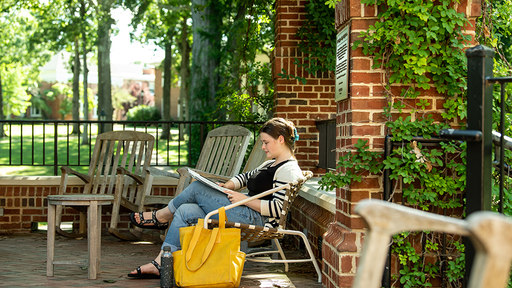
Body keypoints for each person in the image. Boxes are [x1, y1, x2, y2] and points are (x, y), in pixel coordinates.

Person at [128, 117, 303, 279]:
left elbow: (278, 209)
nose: (263, 147)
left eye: (266, 142)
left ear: (281, 139)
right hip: (243, 208)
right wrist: (227, 187)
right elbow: (245, 177)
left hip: (257, 218)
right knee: (184, 210)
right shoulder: (271, 162)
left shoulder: (289, 170)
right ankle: (161, 262)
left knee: (197, 187)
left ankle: (162, 216)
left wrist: (243, 199)